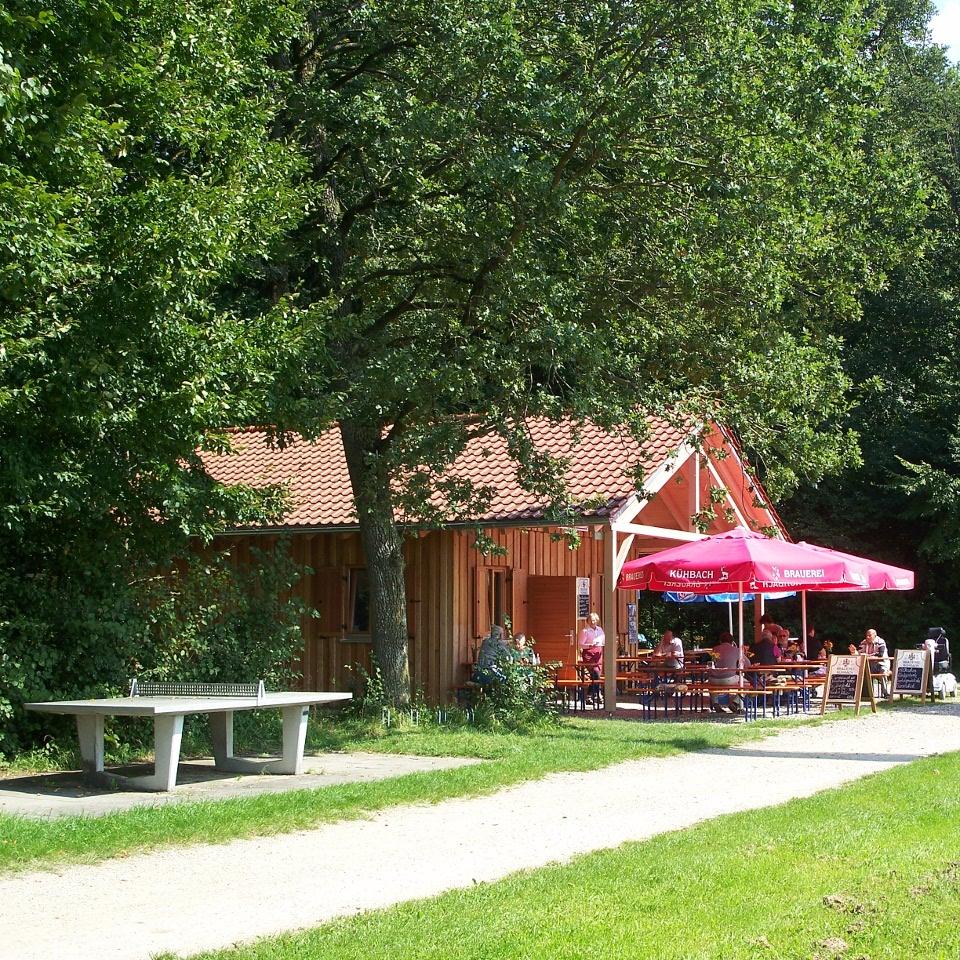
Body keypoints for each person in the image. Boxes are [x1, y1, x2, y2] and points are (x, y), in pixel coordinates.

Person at [710, 631, 747, 714]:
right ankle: (735, 702)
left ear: (720, 641)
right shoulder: (736, 650)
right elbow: (748, 663)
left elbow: (713, 663)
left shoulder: (714, 649)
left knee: (712, 685)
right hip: (729, 678)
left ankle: (715, 703)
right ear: (732, 642)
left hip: (713, 679)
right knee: (748, 684)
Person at [578, 612, 605, 700]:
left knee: (597, 674)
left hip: (598, 652)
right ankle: (598, 693)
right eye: (591, 621)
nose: (593, 622)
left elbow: (603, 640)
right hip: (589, 654)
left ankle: (590, 695)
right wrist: (590, 645)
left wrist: (601, 643)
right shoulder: (585, 631)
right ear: (588, 621)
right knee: (595, 673)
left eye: (594, 620)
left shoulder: (600, 630)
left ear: (597, 621)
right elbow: (580, 644)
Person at [860, 628, 889, 696]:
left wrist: (867, 656)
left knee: (883, 671)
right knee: (863, 671)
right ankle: (866, 694)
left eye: (869, 635)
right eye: (866, 635)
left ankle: (885, 693)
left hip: (881, 663)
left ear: (875, 635)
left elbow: (880, 655)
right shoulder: (863, 642)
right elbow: (859, 653)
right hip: (868, 664)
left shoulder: (880, 642)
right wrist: (854, 652)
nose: (867, 637)